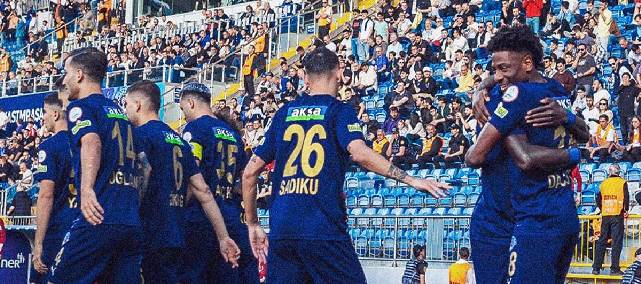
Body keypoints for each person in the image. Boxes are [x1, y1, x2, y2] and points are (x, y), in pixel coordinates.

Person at [241, 47, 449, 284]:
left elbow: (249, 173)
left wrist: (253, 224)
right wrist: (412, 180)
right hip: (322, 228)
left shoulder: (284, 113)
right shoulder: (339, 111)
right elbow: (360, 154)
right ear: (339, 72)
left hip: (283, 231)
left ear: (305, 78)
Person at [466, 25, 590, 283]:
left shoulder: (528, 93)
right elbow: (584, 133)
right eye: (494, 70)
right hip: (508, 214)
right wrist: (481, 86)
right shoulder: (544, 89)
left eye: (504, 69)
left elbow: (481, 157)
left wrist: (574, 148)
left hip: (531, 215)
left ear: (527, 62)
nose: (498, 77)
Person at [123, 81, 241, 283]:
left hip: (150, 229)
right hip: (176, 231)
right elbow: (203, 189)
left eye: (126, 105)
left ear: (138, 104)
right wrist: (223, 237)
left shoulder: (141, 135)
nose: (125, 110)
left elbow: (145, 171)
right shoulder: (178, 139)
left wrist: (127, 214)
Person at [49, 47, 142, 283]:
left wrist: (87, 189)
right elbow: (145, 165)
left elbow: (91, 142)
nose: (64, 80)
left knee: (59, 279)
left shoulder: (80, 108)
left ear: (79, 74)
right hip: (130, 219)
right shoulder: (120, 113)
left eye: (66, 73)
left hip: (98, 215)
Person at [179, 82, 259, 283]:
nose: (184, 115)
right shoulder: (232, 133)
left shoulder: (194, 129)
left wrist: (178, 208)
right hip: (231, 215)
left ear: (190, 103)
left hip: (201, 217)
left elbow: (192, 171)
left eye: (183, 109)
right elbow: (244, 180)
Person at [30, 94, 78, 284]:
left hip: (58, 227)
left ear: (56, 114)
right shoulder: (84, 142)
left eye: (44, 112)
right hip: (83, 227)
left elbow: (46, 195)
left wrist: (38, 243)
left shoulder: (50, 146)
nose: (43, 117)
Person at [593, 164, 629, 275]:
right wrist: (626, 210)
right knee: (616, 243)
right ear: (619, 172)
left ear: (609, 172)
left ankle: (596, 268)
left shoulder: (603, 183)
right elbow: (626, 197)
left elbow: (598, 198)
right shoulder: (622, 182)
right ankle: (614, 269)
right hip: (617, 215)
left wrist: (602, 208)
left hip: (606, 215)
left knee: (602, 241)